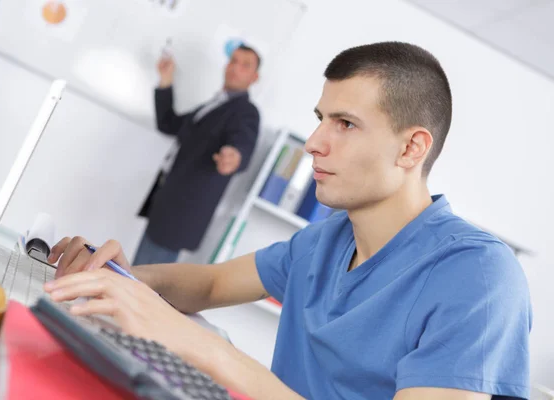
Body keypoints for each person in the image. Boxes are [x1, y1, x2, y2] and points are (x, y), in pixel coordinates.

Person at [44, 42, 532, 400]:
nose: (314, 142)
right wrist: (120, 277)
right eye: (321, 118)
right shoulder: (328, 238)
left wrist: (197, 345)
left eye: (345, 124)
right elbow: (212, 285)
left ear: (411, 148)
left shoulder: (479, 275)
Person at [134, 43, 261, 265]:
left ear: (254, 77)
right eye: (233, 61)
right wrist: (165, 79)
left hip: (180, 216)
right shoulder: (213, 105)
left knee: (139, 282)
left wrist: (234, 157)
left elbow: (243, 146)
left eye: (245, 65)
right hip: (166, 205)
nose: (235, 68)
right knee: (135, 274)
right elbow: (168, 124)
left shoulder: (246, 112)